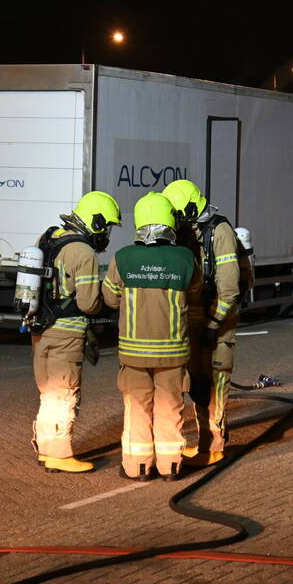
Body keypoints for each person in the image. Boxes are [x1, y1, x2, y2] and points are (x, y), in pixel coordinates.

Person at [103, 192, 200, 481]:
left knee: (137, 410)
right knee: (170, 408)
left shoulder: (123, 258)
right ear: (170, 221)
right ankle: (170, 467)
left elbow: (109, 299)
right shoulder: (185, 258)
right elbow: (195, 294)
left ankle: (138, 468)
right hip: (172, 353)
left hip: (133, 354)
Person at [32, 191, 121, 473]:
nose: (106, 232)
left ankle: (47, 449)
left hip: (40, 330)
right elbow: (87, 303)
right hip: (66, 333)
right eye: (106, 225)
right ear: (95, 221)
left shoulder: (49, 238)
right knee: (65, 392)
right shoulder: (83, 252)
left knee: (48, 393)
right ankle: (59, 453)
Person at [162, 179, 241, 466]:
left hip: (218, 324)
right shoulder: (188, 231)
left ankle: (214, 447)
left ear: (192, 208)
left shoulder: (220, 231)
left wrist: (213, 323)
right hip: (195, 320)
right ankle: (205, 443)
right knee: (198, 384)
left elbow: (230, 288)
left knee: (215, 385)